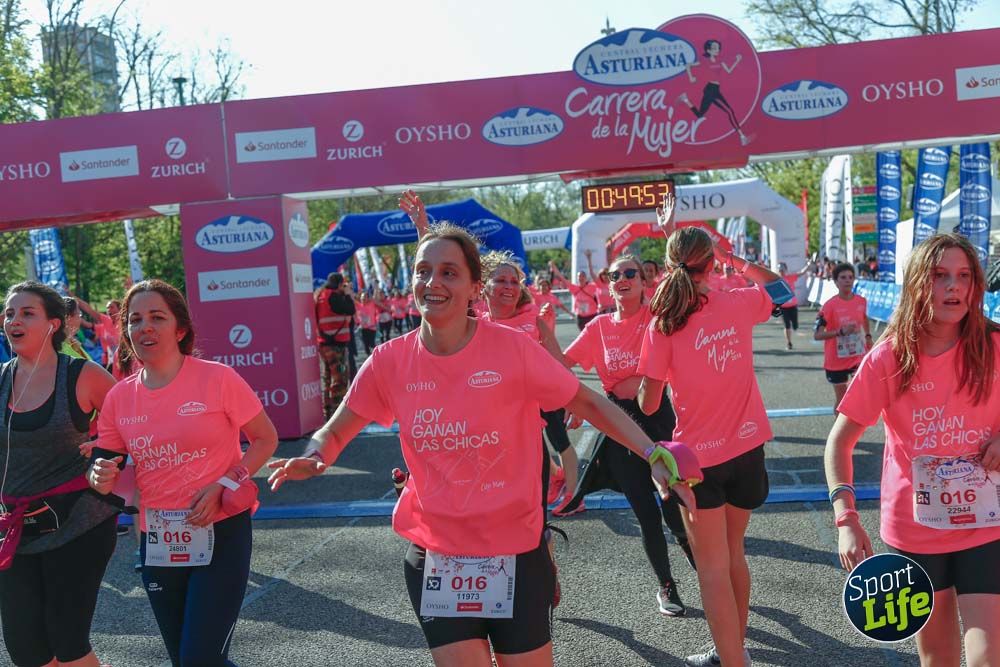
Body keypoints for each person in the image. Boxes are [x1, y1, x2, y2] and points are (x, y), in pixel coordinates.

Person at [267, 222, 697, 667]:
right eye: (423, 271)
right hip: (437, 555)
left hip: (515, 550)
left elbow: (586, 401)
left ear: (475, 287)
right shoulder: (389, 361)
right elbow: (335, 430)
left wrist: (652, 453)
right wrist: (316, 456)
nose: (433, 282)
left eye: (449, 273)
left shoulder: (512, 349)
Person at [826, 233, 1000, 667]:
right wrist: (846, 519)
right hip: (915, 530)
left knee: (987, 656)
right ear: (919, 283)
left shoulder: (994, 346)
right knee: (938, 658)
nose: (953, 286)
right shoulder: (889, 357)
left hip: (986, 524)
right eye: (940, 276)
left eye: (964, 276)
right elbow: (839, 442)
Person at [87, 279, 278, 667]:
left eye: (157, 317)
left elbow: (265, 439)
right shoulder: (119, 397)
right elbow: (109, 465)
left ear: (180, 329)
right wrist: (98, 476)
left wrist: (226, 483)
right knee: (186, 660)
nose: (145, 327)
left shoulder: (217, 378)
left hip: (221, 529)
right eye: (135, 320)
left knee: (199, 659)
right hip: (158, 538)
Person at [638, 204, 783, 667]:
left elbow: (647, 405)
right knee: (734, 555)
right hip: (748, 449)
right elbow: (779, 287)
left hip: (699, 461)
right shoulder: (737, 300)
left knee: (712, 570)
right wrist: (733, 259)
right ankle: (732, 650)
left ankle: (732, 658)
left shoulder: (662, 322)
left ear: (668, 266)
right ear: (712, 264)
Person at [541, 246, 695, 618]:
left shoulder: (657, 316)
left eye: (630, 274)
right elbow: (562, 364)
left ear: (644, 282)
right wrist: (544, 332)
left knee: (675, 509)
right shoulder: (598, 327)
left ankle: (709, 572)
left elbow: (687, 294)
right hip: (618, 424)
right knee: (645, 512)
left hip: (659, 420)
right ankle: (667, 585)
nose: (622, 280)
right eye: (616, 276)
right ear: (608, 286)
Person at [1, 281, 120, 667]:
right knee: (26, 650)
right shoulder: (1, 379)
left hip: (78, 523)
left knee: (68, 642)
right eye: (9, 313)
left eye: (27, 313)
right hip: (16, 529)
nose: (14, 320)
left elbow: (134, 423)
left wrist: (103, 450)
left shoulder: (82, 375)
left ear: (53, 324)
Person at [478, 253, 580, 519]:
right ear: (483, 286)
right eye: (501, 280)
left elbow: (558, 359)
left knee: (560, 443)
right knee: (530, 454)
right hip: (510, 409)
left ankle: (574, 495)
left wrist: (575, 401)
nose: (509, 286)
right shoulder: (476, 323)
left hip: (545, 397)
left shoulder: (532, 318)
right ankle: (556, 477)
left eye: (514, 281)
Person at [813, 263, 870, 409]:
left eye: (850, 277)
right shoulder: (829, 306)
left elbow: (864, 318)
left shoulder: (861, 301)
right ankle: (840, 423)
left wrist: (868, 337)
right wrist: (840, 332)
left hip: (857, 357)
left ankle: (854, 423)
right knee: (843, 400)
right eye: (843, 277)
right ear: (836, 282)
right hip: (836, 361)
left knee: (859, 396)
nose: (847, 280)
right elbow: (817, 335)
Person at [677, 38, 751, 146]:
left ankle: (685, 99)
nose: (717, 50)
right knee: (729, 111)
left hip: (716, 89)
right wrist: (691, 77)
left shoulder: (720, 61)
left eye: (718, 48)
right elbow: (688, 65)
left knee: (700, 114)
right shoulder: (704, 61)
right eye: (714, 48)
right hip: (710, 90)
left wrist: (737, 61)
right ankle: (742, 137)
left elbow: (729, 71)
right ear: (708, 50)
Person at [315, 273, 357, 418]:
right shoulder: (334, 296)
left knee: (327, 378)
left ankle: (327, 411)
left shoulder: (321, 295)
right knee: (340, 378)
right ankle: (337, 413)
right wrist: (348, 295)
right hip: (336, 346)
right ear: (339, 284)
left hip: (324, 343)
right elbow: (350, 309)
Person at [549, 261, 598, 330]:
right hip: (580, 317)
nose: (581, 278)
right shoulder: (574, 288)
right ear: (577, 278)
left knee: (594, 333)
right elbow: (562, 278)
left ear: (586, 278)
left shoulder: (592, 287)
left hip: (592, 316)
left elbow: (598, 280)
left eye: (583, 276)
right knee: (584, 333)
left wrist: (589, 259)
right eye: (579, 276)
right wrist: (554, 267)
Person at [584, 249, 615, 314]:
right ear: (601, 275)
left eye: (607, 273)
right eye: (603, 274)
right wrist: (589, 259)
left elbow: (613, 268)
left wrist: (610, 252)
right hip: (602, 310)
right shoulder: (599, 284)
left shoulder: (612, 283)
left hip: (613, 310)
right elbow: (591, 273)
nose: (605, 275)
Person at [778, 264, 800, 351]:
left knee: (795, 326)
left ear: (786, 270)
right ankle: (789, 342)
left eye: (782, 270)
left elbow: (801, 273)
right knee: (787, 325)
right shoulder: (776, 280)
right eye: (780, 270)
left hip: (793, 306)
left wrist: (809, 265)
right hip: (783, 307)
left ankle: (794, 326)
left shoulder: (790, 277)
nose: (781, 271)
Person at [356, 292, 379, 356]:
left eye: (365, 297)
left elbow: (375, 297)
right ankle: (369, 356)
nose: (363, 299)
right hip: (363, 328)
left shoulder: (372, 304)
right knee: (366, 344)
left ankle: (376, 355)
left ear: (368, 298)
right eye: (362, 297)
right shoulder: (358, 305)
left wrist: (376, 288)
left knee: (372, 343)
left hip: (372, 328)